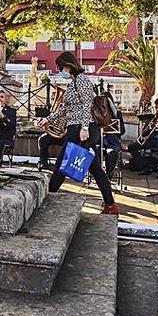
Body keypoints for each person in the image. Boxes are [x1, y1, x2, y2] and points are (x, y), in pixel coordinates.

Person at [39, 52, 118, 215]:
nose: (60, 70)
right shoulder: (74, 82)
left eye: (60, 67)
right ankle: (110, 205)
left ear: (68, 66)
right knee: (95, 168)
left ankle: (46, 200)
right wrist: (48, 119)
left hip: (81, 129)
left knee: (62, 165)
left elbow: (87, 104)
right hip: (79, 128)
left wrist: (84, 128)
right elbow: (65, 108)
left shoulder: (81, 80)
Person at [126, 98, 158, 176]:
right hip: (149, 139)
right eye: (156, 107)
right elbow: (144, 134)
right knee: (132, 146)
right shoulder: (151, 117)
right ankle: (146, 166)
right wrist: (147, 126)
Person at [98, 92, 125, 179]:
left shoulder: (117, 114)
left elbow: (122, 131)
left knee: (112, 153)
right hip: (99, 141)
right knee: (93, 151)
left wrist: (114, 127)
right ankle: (98, 175)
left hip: (112, 142)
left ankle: (108, 176)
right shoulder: (96, 114)